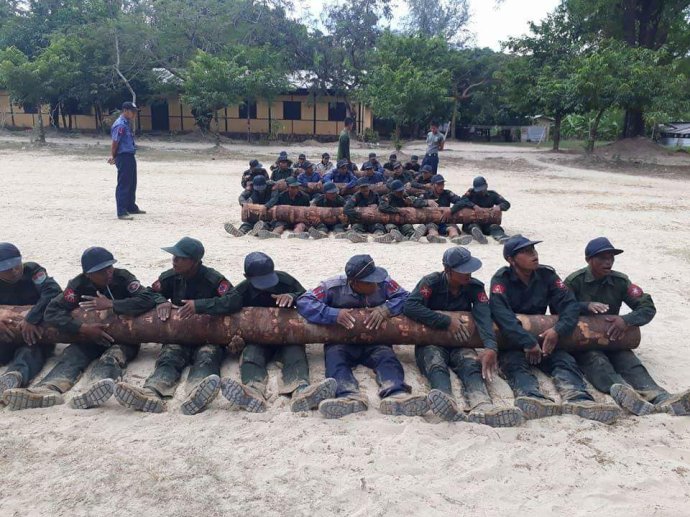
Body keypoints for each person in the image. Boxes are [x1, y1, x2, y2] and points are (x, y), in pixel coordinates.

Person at [5, 247, 157, 411]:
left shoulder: (123, 277)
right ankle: (48, 389)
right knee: (72, 355)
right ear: (88, 274)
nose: (108, 273)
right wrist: (82, 328)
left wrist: (113, 304)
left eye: (110, 267)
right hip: (88, 335)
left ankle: (96, 387)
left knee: (113, 356)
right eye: (101, 271)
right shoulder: (78, 285)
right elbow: (53, 311)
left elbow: (148, 298)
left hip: (124, 337)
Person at [489, 236, 620, 423]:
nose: (534, 255)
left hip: (544, 336)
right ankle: (532, 397)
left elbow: (570, 305)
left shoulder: (547, 275)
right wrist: (527, 341)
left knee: (564, 361)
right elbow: (501, 315)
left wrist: (557, 330)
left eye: (533, 250)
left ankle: (578, 398)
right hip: (513, 339)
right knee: (515, 364)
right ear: (511, 260)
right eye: (526, 252)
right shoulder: (501, 280)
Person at [191, 252, 337, 413]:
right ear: (246, 276)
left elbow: (308, 299)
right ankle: (253, 391)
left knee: (296, 355)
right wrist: (234, 340)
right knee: (251, 356)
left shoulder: (286, 281)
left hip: (286, 336)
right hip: (256, 340)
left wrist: (292, 296)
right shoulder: (241, 291)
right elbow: (226, 308)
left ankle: (301, 390)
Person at [565, 237, 690, 416]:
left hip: (613, 337)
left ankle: (660, 396)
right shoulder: (574, 281)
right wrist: (584, 306)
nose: (608, 262)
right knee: (596, 361)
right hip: (584, 340)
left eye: (611, 257)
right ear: (589, 260)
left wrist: (626, 320)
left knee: (630, 363)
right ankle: (623, 392)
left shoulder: (620, 281)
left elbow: (647, 307)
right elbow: (559, 308)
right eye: (602, 258)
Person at [297, 255, 429, 419]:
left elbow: (405, 296)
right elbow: (304, 301)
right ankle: (349, 396)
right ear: (353, 281)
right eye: (368, 282)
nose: (374, 284)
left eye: (374, 279)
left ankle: (396, 394)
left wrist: (386, 308)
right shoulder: (332, 286)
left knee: (387, 358)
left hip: (375, 339)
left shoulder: (383, 281)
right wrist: (333, 314)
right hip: (341, 340)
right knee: (335, 360)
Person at [404, 247, 524, 427]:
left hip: (462, 340)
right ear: (448, 270)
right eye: (463, 270)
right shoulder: (431, 283)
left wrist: (491, 347)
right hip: (431, 340)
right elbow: (411, 306)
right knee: (435, 363)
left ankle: (483, 404)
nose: (468, 273)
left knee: (471, 364)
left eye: (470, 268)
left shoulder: (475, 287)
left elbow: (484, 316)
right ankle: (445, 400)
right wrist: (446, 321)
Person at [113, 238, 232, 415]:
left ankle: (196, 394)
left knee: (207, 357)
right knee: (168, 357)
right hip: (179, 333)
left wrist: (200, 305)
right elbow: (148, 293)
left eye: (180, 258)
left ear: (194, 261)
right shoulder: (170, 277)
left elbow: (233, 299)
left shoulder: (213, 279)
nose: (174, 261)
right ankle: (152, 393)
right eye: (174, 257)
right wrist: (161, 301)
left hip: (209, 335)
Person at [0, 243, 62, 396]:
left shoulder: (32, 271)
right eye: (7, 269)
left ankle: (14, 378)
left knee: (30, 351)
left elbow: (53, 292)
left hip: (36, 331)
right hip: (7, 331)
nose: (14, 271)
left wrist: (32, 318)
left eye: (16, 265)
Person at [109, 101, 145, 220]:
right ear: (125, 111)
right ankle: (121, 211)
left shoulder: (126, 123)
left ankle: (131, 206)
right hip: (123, 156)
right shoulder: (120, 125)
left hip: (129, 155)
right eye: (132, 112)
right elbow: (115, 143)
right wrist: (113, 156)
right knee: (124, 184)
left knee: (132, 182)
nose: (134, 114)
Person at [455, 176, 511, 244]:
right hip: (472, 221)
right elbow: (461, 201)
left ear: (486, 186)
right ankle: (479, 236)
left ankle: (501, 237)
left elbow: (506, 204)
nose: (481, 192)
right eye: (479, 190)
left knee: (494, 227)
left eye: (482, 189)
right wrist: (474, 206)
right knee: (473, 227)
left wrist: (499, 207)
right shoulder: (471, 193)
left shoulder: (492, 195)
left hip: (487, 222)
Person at [419, 174, 472, 245]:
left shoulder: (447, 193)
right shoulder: (426, 194)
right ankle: (435, 238)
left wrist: (451, 210)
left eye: (442, 184)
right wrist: (426, 201)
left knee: (452, 229)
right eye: (439, 184)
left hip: (445, 221)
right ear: (433, 185)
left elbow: (461, 201)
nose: (441, 186)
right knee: (431, 228)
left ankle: (455, 239)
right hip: (431, 221)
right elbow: (415, 202)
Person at [374, 180, 430, 244]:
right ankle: (394, 236)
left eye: (401, 191)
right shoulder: (387, 198)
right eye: (398, 191)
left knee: (408, 227)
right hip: (391, 221)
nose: (400, 193)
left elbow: (419, 202)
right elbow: (382, 207)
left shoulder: (405, 196)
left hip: (404, 221)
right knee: (391, 227)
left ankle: (412, 236)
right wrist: (397, 210)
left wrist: (411, 203)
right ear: (393, 191)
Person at [341, 178, 385, 243]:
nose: (365, 189)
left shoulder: (375, 195)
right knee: (356, 227)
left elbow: (383, 206)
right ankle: (361, 238)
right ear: (359, 188)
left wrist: (377, 206)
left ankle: (379, 237)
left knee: (379, 227)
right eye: (362, 187)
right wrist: (361, 214)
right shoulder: (356, 196)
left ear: (369, 186)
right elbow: (346, 209)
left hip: (373, 221)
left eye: (366, 186)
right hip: (360, 221)